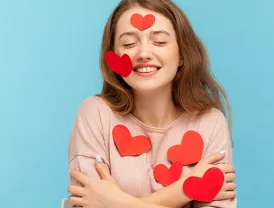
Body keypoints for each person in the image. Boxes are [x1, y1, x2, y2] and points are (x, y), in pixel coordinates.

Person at [67, 0, 237, 207]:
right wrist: (186, 189)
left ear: (182, 54)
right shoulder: (95, 114)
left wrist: (116, 202)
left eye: (159, 42)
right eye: (129, 43)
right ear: (112, 57)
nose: (144, 54)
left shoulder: (210, 123)